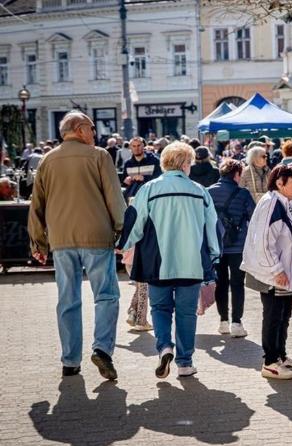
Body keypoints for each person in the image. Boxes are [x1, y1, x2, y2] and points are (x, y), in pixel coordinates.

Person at [27, 111, 127, 379]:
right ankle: (102, 350)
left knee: (67, 298)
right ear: (80, 129)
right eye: (92, 128)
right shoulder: (99, 156)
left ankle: (70, 360)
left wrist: (38, 242)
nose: (94, 133)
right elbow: (115, 199)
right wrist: (123, 230)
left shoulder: (47, 160)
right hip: (96, 235)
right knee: (106, 295)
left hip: (61, 239)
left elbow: (36, 204)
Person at [119, 142, 221, 379]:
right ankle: (185, 363)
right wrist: (214, 254)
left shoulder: (149, 189)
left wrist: (123, 244)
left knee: (160, 309)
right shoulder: (200, 191)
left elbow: (135, 221)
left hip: (157, 262)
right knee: (186, 313)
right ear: (185, 164)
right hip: (191, 262)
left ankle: (164, 347)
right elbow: (213, 227)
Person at [241, 164, 292, 380]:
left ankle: (280, 355)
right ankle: (270, 362)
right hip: (272, 273)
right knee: (273, 315)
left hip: (283, 272)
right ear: (280, 183)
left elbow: (281, 232)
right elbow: (263, 241)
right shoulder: (271, 204)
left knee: (283, 315)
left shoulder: (284, 203)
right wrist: (276, 270)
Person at [208, 159, 256, 338]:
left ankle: (223, 321)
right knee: (237, 284)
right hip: (237, 246)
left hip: (216, 246)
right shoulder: (242, 193)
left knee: (220, 283)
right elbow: (254, 216)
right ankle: (237, 322)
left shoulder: (208, 192)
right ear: (236, 174)